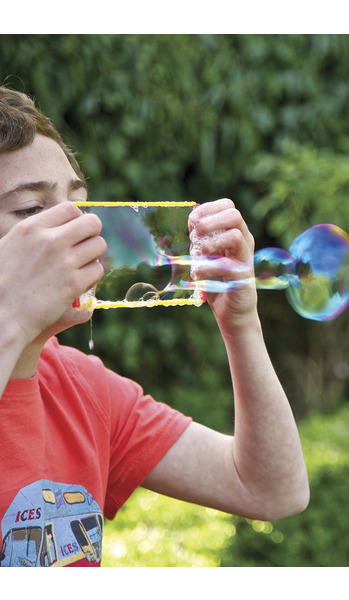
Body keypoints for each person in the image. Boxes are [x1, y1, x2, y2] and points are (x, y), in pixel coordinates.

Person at [0, 85, 309, 567]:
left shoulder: (82, 388)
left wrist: (241, 326)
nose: (80, 230)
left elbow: (272, 490)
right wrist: (11, 314)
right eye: (31, 210)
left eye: (81, 205)